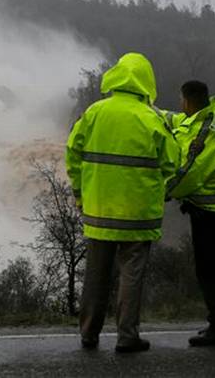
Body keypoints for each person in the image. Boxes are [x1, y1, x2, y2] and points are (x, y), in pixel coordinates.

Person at [66, 53, 180, 352]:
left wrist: (80, 194)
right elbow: (172, 162)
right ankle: (127, 336)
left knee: (95, 274)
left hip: (99, 209)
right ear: (146, 82)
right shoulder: (150, 117)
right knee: (132, 275)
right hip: (138, 213)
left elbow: (73, 155)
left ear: (116, 77)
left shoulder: (94, 112)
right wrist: (160, 189)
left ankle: (89, 333)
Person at [167, 80, 215, 346]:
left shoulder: (205, 134)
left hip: (214, 212)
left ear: (186, 101)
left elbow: (188, 174)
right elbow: (178, 121)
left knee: (212, 269)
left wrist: (163, 192)